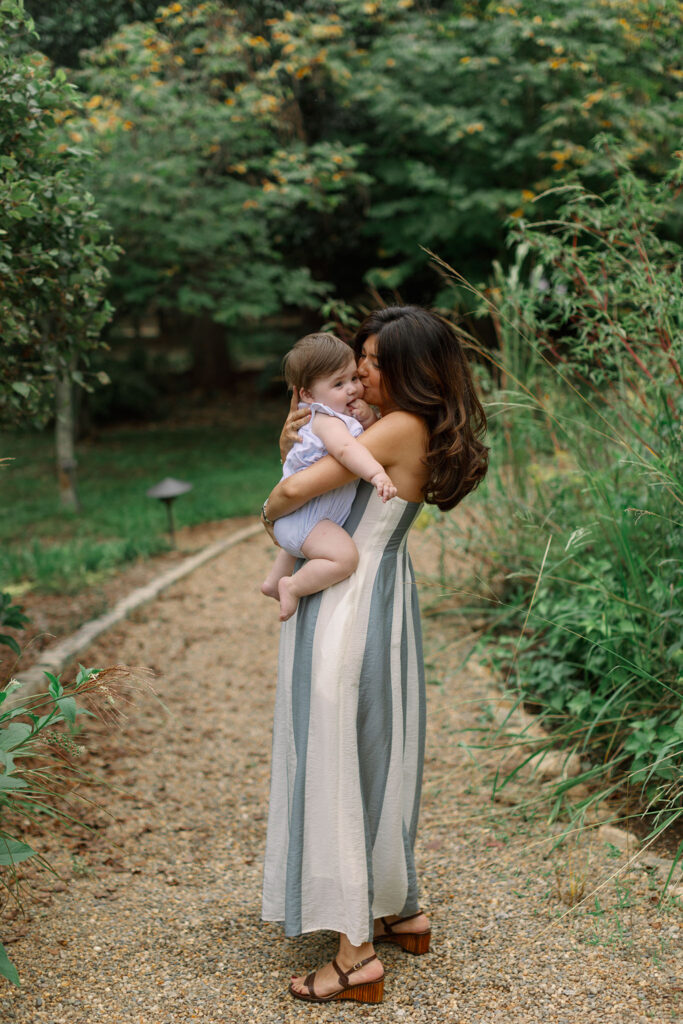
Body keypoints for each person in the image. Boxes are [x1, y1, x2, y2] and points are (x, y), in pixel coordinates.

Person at [260, 306, 488, 1005]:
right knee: (377, 757)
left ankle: (354, 958)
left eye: (372, 362)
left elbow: (295, 491)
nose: (359, 372)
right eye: (358, 360)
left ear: (410, 369)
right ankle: (395, 908)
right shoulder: (415, 427)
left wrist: (271, 506)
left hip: (348, 614)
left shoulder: (389, 428)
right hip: (385, 596)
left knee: (335, 761)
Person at [261, 332, 397, 621]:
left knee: (296, 543)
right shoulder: (326, 420)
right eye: (338, 384)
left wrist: (370, 420)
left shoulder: (330, 415)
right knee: (345, 558)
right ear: (308, 395)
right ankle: (292, 585)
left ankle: (273, 581)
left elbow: (368, 437)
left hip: (298, 516)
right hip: (307, 519)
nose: (352, 389)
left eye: (352, 379)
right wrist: (376, 473)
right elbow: (348, 450)